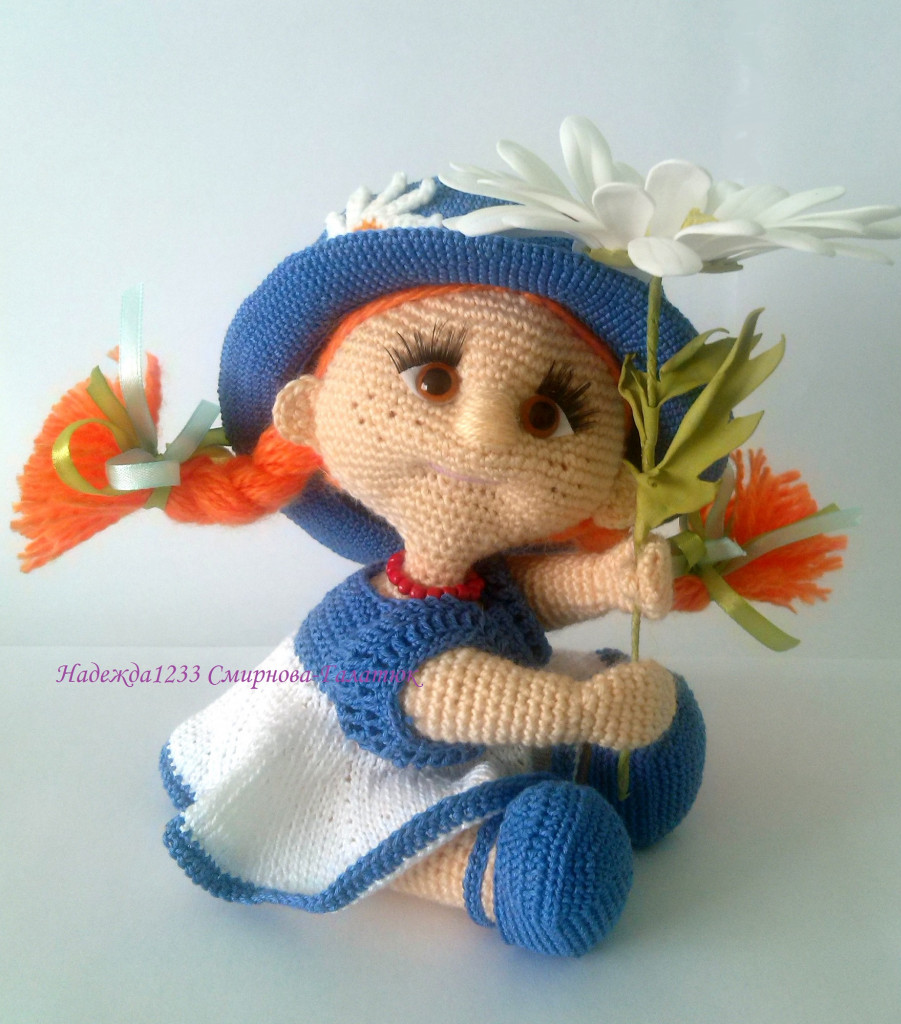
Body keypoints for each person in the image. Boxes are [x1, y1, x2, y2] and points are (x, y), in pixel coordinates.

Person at [15, 178, 707, 957]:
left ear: (613, 485)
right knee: (385, 821)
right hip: (345, 742)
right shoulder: (384, 621)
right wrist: (573, 712)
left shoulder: (473, 578)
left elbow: (526, 596)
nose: (482, 434)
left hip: (492, 704)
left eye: (545, 416)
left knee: (632, 718)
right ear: (308, 411)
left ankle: (600, 768)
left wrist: (613, 581)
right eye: (433, 379)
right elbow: (437, 695)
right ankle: (488, 873)